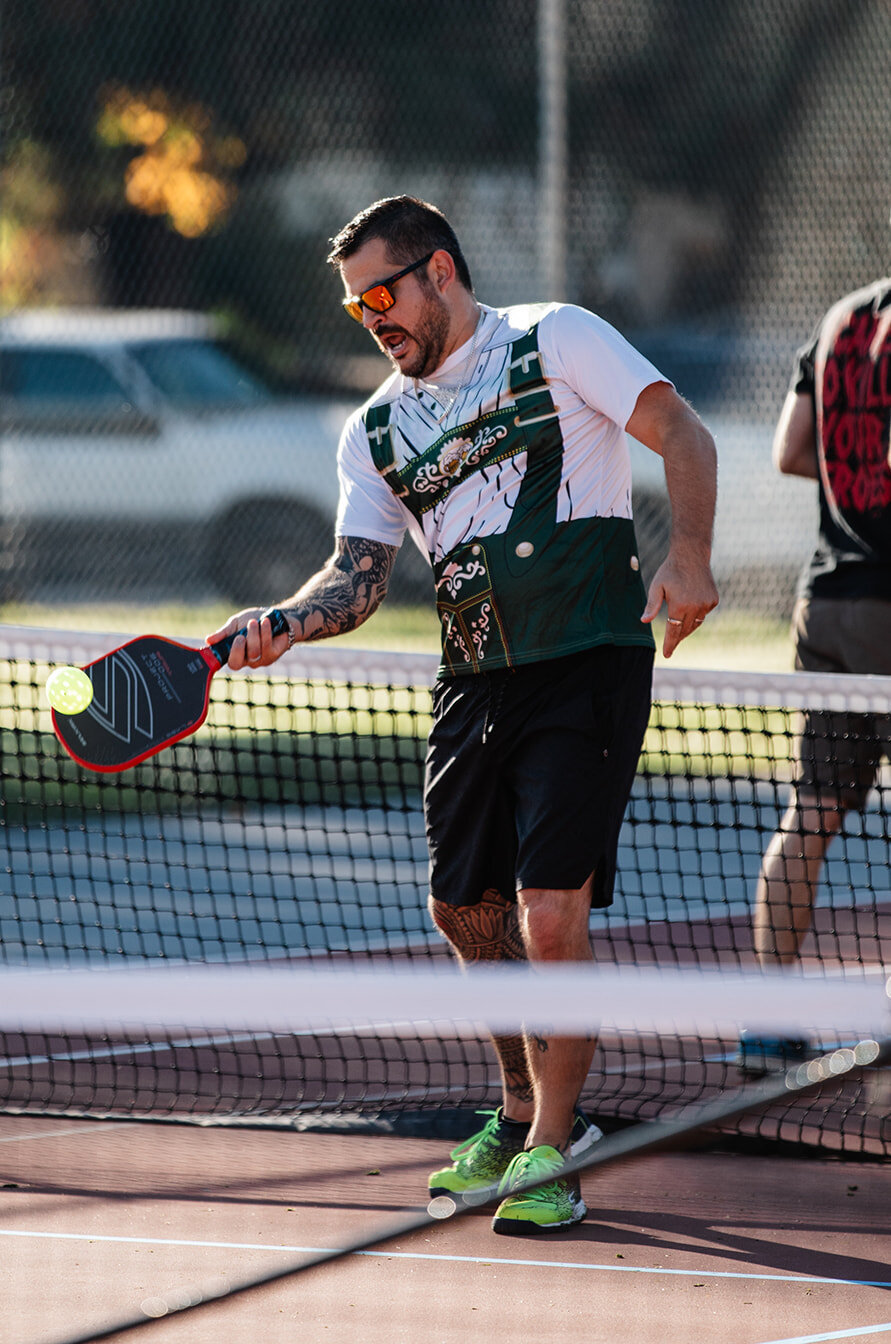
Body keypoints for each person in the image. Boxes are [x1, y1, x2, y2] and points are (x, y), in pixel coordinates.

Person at [208, 195, 718, 1233]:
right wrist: (285, 623)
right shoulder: (376, 429)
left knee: (546, 911)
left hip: (586, 664)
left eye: (383, 294)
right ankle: (515, 1102)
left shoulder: (553, 339)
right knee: (462, 912)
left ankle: (552, 1148)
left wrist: (689, 557)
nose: (373, 319)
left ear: (438, 269)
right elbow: (354, 576)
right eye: (356, 309)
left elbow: (681, 431)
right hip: (472, 677)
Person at [740, 273, 891, 1075]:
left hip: (825, 600)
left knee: (811, 814)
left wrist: (855, 493)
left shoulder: (840, 317)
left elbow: (791, 451)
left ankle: (766, 1022)